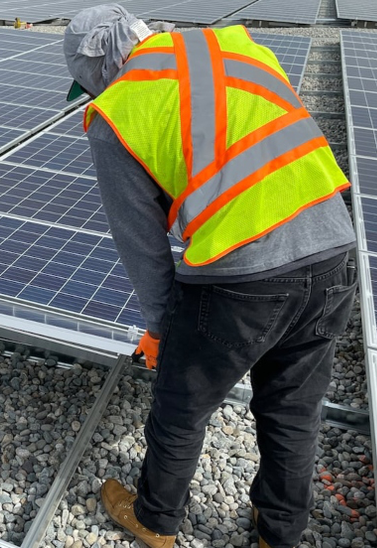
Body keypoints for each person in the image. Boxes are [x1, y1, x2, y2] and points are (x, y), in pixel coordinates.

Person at [64, 5, 357, 548]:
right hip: (335, 246)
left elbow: (142, 246)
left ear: (101, 70)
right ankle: (279, 534)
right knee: (293, 409)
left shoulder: (117, 112)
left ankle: (154, 520)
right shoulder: (238, 47)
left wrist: (162, 328)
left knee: (181, 405)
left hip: (245, 274)